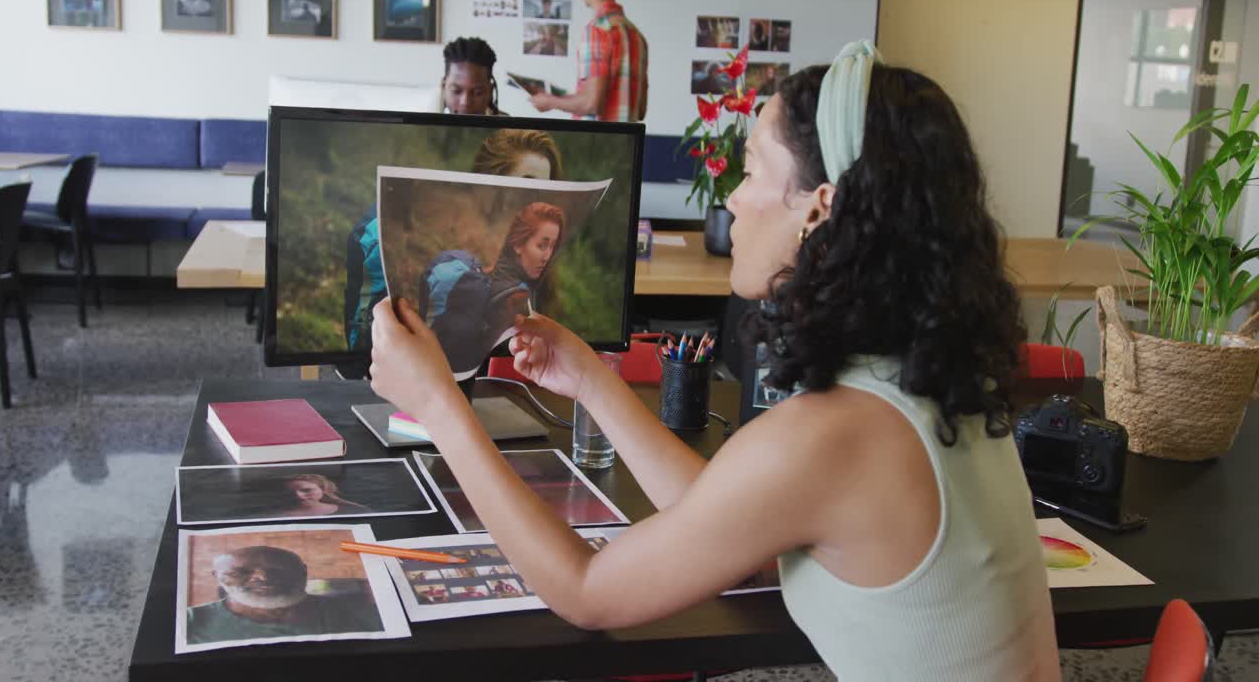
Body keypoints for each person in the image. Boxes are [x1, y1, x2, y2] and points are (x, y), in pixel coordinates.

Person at [367, 41, 1062, 681]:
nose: (731, 195)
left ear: (817, 210)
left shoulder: (832, 435)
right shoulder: (932, 387)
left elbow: (587, 591)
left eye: (753, 168)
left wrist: (440, 408)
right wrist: (589, 380)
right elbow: (724, 515)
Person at [344, 129, 564, 355]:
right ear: (491, 185)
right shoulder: (381, 236)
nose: (536, 198)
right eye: (527, 185)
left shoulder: (537, 257)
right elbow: (361, 345)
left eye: (546, 189)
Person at [418, 201, 566, 376]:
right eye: (542, 245)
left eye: (552, 247)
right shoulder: (517, 298)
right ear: (518, 244)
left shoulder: (490, 277)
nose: (547, 256)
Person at [185, 546, 381, 643]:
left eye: (278, 570)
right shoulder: (189, 622)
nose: (262, 577)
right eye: (241, 571)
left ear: (303, 572)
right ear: (216, 576)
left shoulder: (358, 613)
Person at [531, 0, 648, 122]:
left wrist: (550, 102)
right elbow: (640, 110)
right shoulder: (637, 37)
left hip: (596, 144)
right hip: (627, 145)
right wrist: (559, 96)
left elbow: (592, 104)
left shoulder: (597, 31)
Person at [440, 36, 505, 116]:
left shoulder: (509, 127)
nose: (465, 103)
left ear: (490, 92)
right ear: (444, 88)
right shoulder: (426, 126)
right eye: (456, 91)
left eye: (477, 93)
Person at [268, 473, 370, 518]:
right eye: (290, 492)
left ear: (323, 489)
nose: (299, 496)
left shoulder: (356, 511)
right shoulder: (274, 517)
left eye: (307, 490)